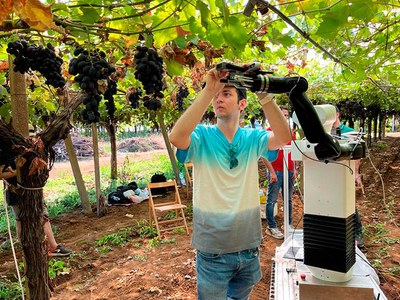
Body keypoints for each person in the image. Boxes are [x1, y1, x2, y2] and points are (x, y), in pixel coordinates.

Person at [169, 66, 291, 299]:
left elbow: (284, 137)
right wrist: (208, 90)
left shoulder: (253, 138)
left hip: (248, 246)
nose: (219, 98)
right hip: (213, 249)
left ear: (241, 104)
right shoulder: (201, 137)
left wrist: (264, 94)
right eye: (217, 95)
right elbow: (176, 137)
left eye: (227, 93)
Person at [1, 161, 72, 257]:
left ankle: (52, 247)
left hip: (32, 190)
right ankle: (31, 251)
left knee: (42, 216)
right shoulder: (4, 153)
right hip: (15, 191)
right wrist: (18, 172)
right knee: (22, 219)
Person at [262, 106, 297, 239]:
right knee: (272, 200)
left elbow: (294, 150)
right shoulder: (268, 133)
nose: (284, 117)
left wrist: (294, 168)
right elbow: (264, 155)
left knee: (288, 198)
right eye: (281, 115)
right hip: (276, 171)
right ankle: (271, 227)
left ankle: (288, 224)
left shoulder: (290, 132)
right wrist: (272, 172)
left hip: (288, 170)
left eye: (286, 115)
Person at [332, 106, 364, 247]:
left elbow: (358, 156)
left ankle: (357, 232)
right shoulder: (324, 133)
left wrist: (356, 173)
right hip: (330, 175)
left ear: (337, 114)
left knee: (349, 203)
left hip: (347, 174)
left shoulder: (350, 132)